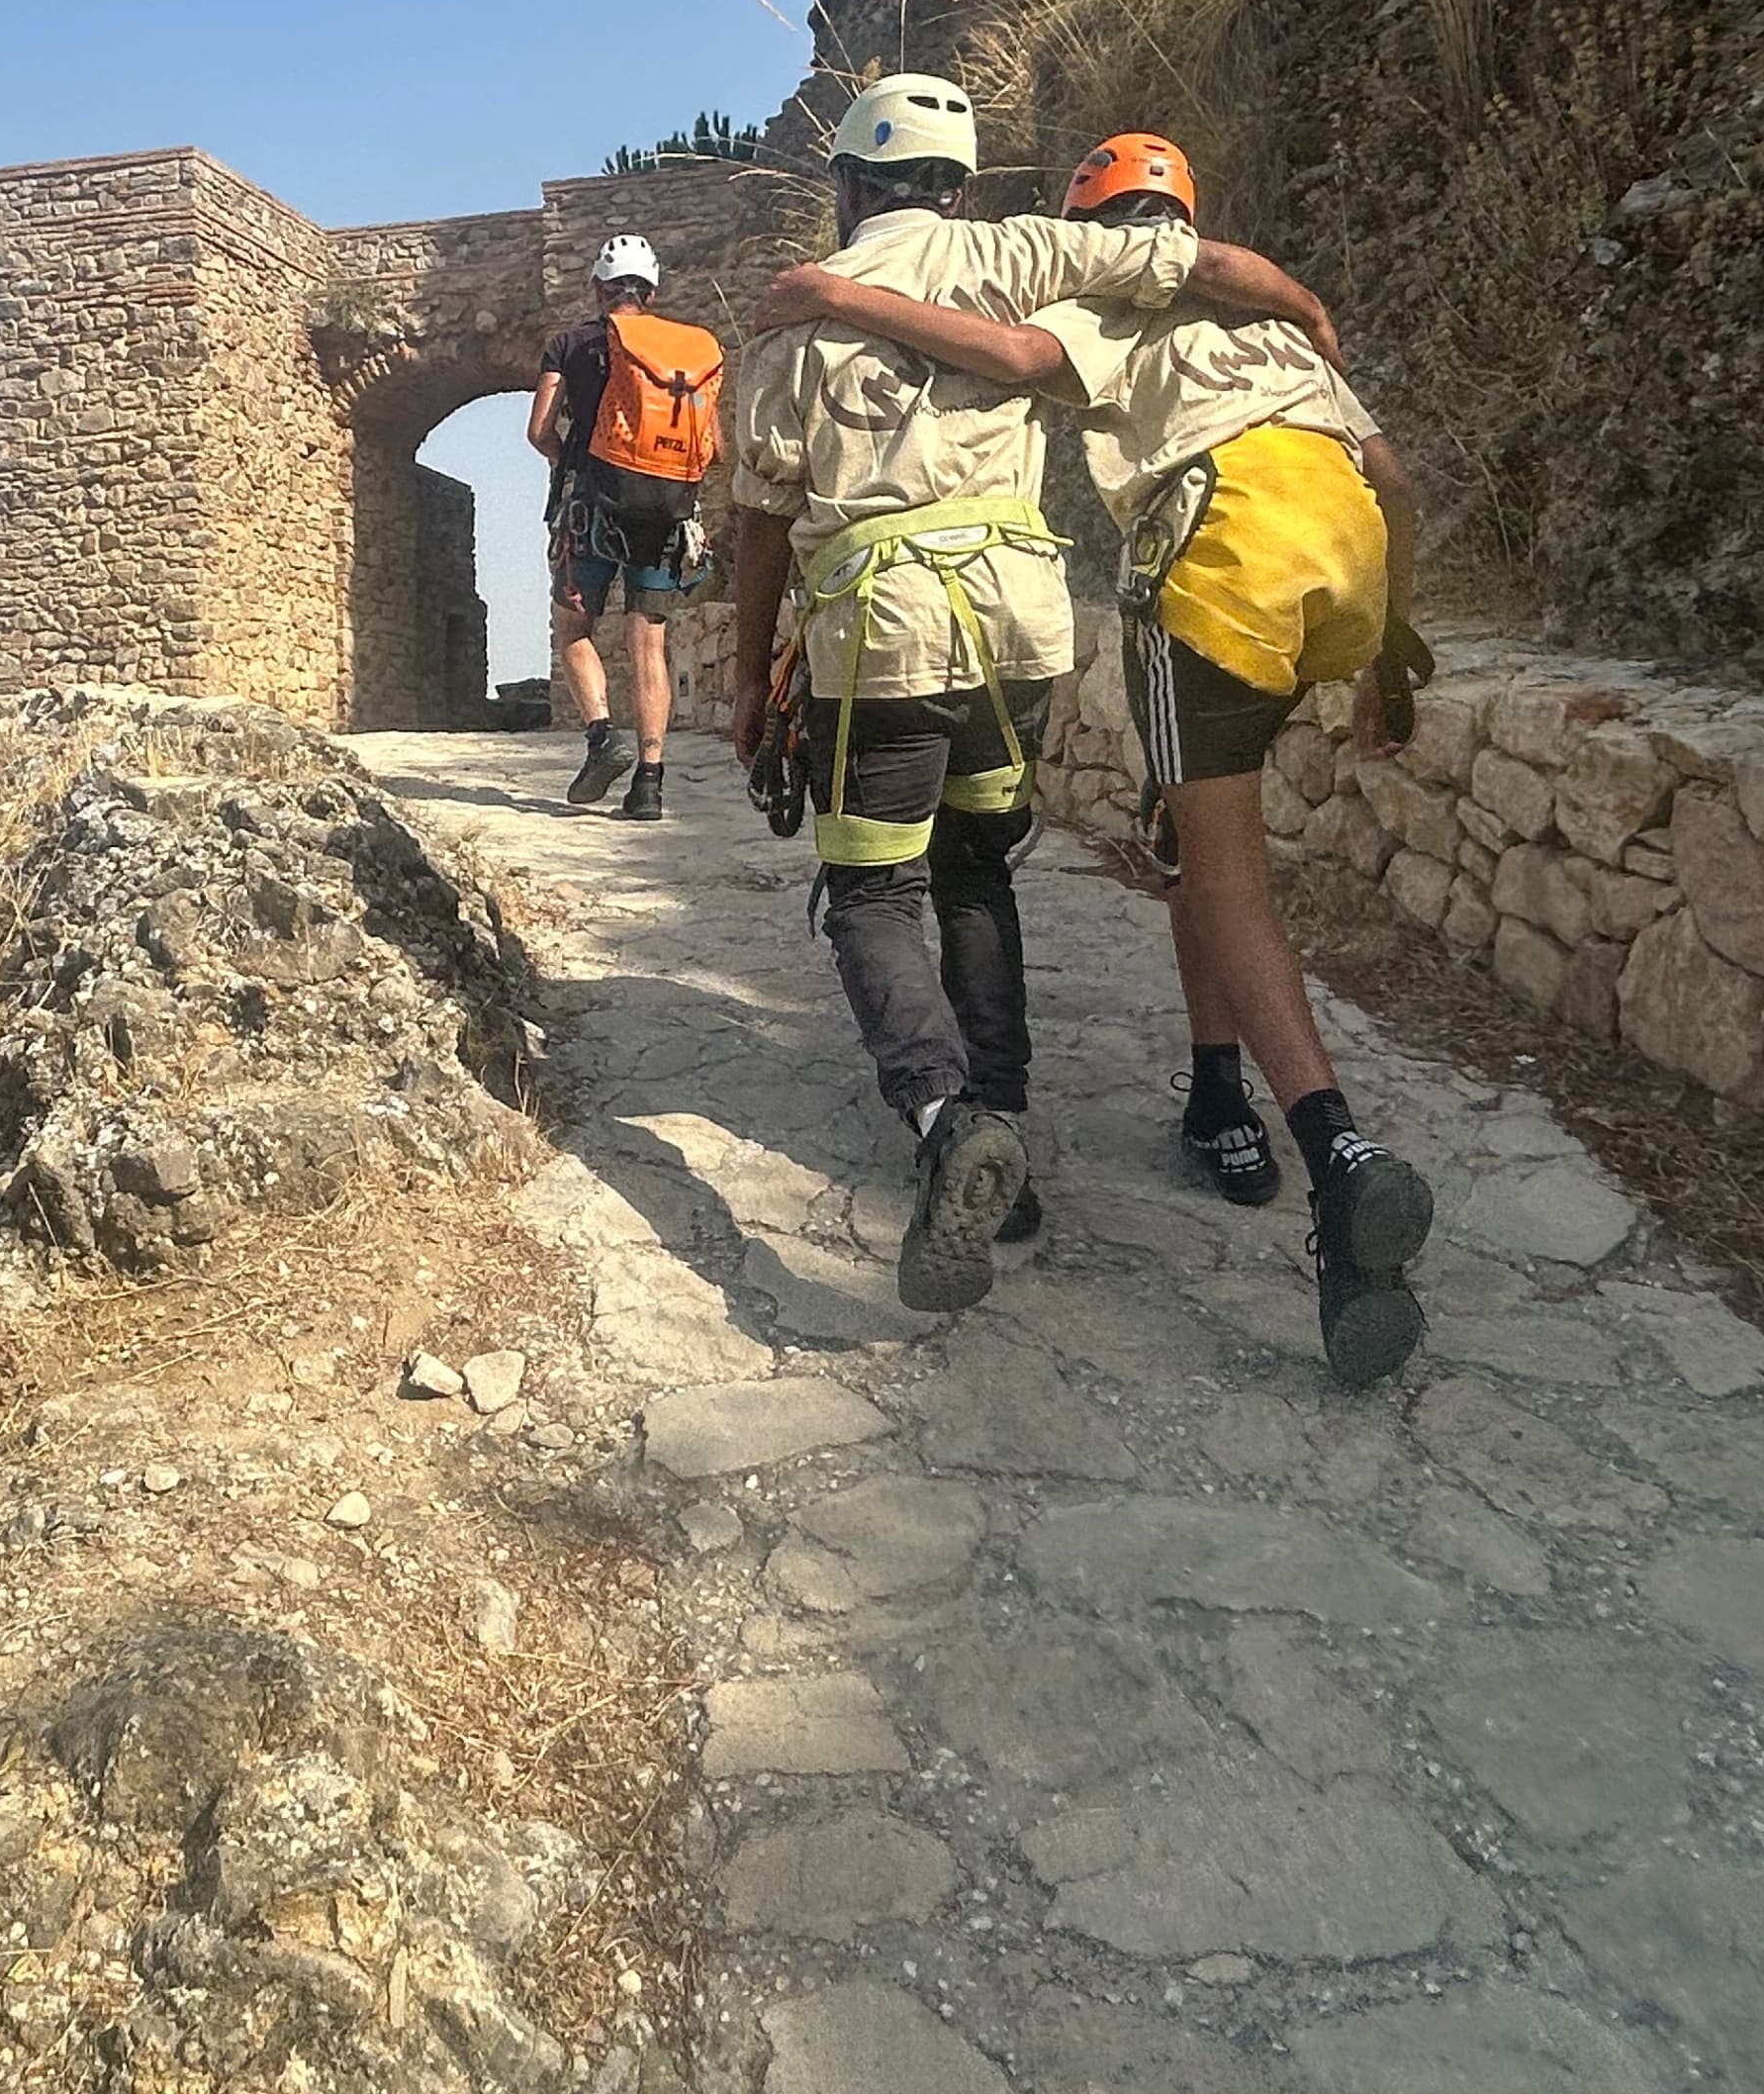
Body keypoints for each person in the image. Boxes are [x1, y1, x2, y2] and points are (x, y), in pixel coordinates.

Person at [751, 129, 1438, 1385]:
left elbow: (1012, 357)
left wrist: (839, 293)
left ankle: (1327, 1148)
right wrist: (1394, 644)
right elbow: (1391, 476)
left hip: (1214, 562)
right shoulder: (1271, 331)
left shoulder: (1100, 299)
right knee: (1179, 848)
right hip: (1338, 553)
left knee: (1218, 875)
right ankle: (1208, 1097)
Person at [530, 235, 721, 821]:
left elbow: (540, 429)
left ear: (597, 289)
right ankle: (650, 785)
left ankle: (600, 737)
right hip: (664, 508)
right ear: (653, 291)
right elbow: (713, 447)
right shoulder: (685, 353)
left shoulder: (571, 344)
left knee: (574, 626)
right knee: (650, 644)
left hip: (592, 504)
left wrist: (573, 463)